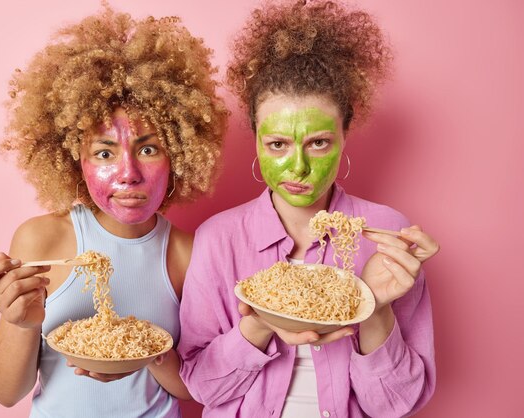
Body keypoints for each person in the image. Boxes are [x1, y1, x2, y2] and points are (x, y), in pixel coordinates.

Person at [178, 1, 440, 417]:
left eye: (317, 142)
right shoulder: (219, 237)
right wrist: (259, 323)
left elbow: (395, 404)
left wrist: (373, 305)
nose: (297, 167)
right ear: (257, 140)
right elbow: (202, 387)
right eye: (278, 144)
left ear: (343, 136)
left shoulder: (387, 234)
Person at [0, 4, 226, 417]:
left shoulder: (189, 251)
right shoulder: (42, 239)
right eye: (104, 152)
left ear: (178, 155)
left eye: (148, 149)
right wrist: (24, 323)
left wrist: (145, 351)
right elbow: (5, 393)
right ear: (76, 158)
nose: (128, 174)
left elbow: (194, 389)